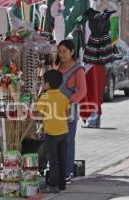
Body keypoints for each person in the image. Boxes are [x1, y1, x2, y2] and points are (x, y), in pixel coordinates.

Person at [56, 39, 87, 183]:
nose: (61, 54)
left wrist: (69, 101)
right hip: (53, 111)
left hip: (69, 111)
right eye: (60, 51)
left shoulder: (78, 69)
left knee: (68, 141)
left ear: (72, 52)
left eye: (64, 51)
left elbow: (82, 91)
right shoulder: (56, 67)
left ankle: (67, 172)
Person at [36, 70, 70, 193]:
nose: (42, 83)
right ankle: (62, 184)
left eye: (43, 81)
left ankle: (53, 185)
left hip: (51, 134)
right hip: (64, 132)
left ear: (48, 84)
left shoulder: (44, 97)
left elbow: (38, 114)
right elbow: (67, 114)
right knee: (62, 159)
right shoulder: (63, 97)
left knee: (53, 160)